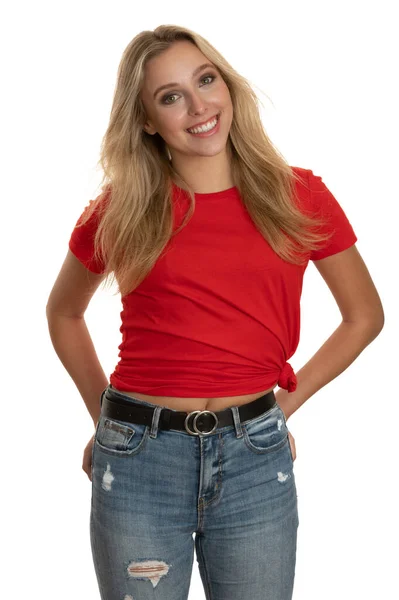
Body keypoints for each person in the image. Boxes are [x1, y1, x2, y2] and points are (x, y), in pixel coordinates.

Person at [46, 24, 384, 600]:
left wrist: (283, 407)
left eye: (206, 80)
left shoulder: (297, 195)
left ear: (228, 86)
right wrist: (105, 420)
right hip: (137, 460)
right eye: (170, 96)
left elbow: (364, 316)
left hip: (255, 456)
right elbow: (64, 313)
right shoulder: (123, 210)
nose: (199, 106)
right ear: (149, 121)